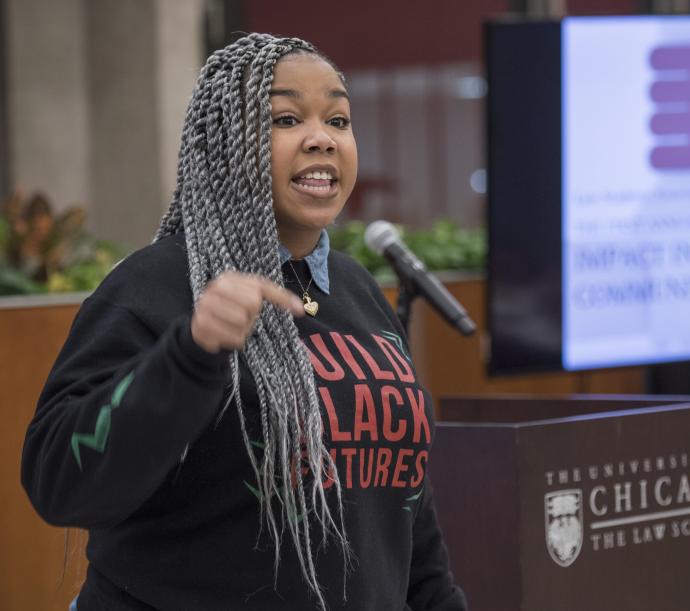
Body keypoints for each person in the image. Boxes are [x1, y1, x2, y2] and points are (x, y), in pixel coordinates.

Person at [20, 33, 467, 611]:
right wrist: (191, 355)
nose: (321, 139)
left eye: (338, 118)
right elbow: (60, 480)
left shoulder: (358, 292)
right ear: (225, 143)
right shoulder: (151, 288)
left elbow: (403, 507)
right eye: (285, 119)